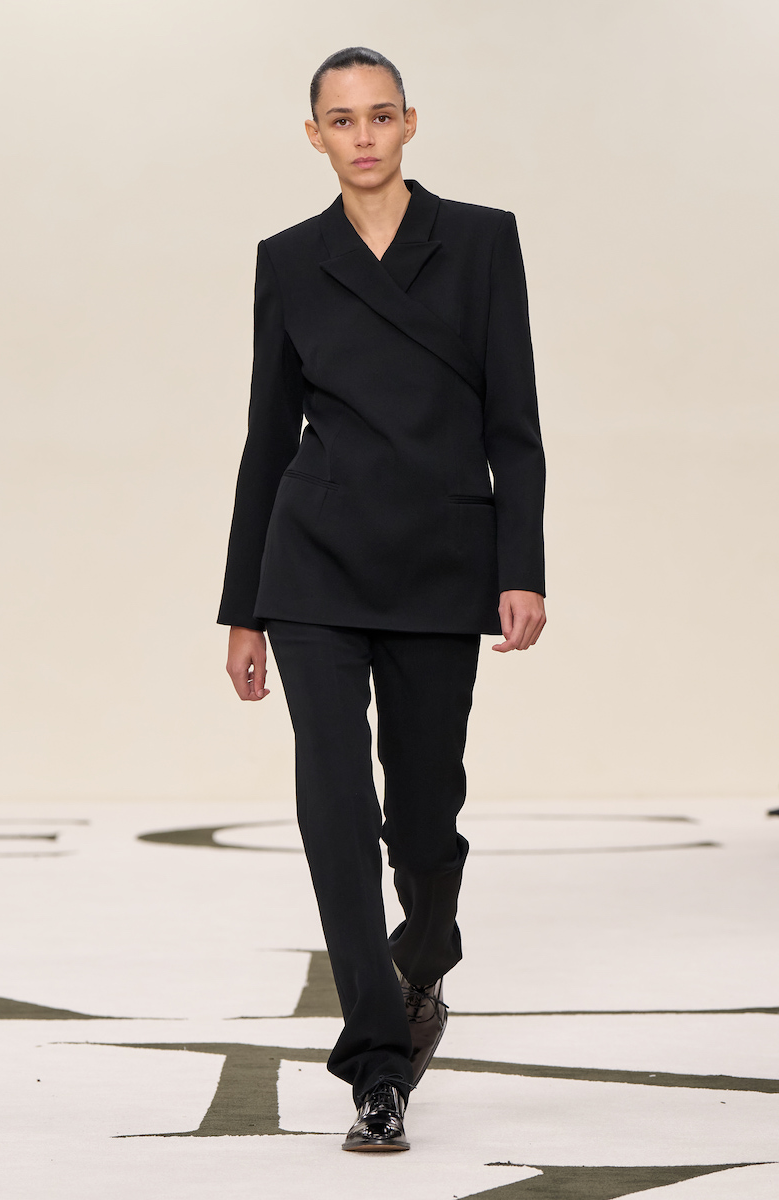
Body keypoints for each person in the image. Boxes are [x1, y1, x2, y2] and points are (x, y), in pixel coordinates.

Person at [218, 46, 546, 1152]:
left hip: (438, 556)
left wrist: (519, 565)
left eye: (379, 115)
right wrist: (244, 605)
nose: (361, 136)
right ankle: (375, 1061)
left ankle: (427, 954)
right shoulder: (289, 259)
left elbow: (514, 420)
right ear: (313, 135)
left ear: (409, 123)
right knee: (333, 805)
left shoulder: (482, 241)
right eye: (340, 119)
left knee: (423, 815)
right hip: (313, 558)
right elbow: (268, 434)